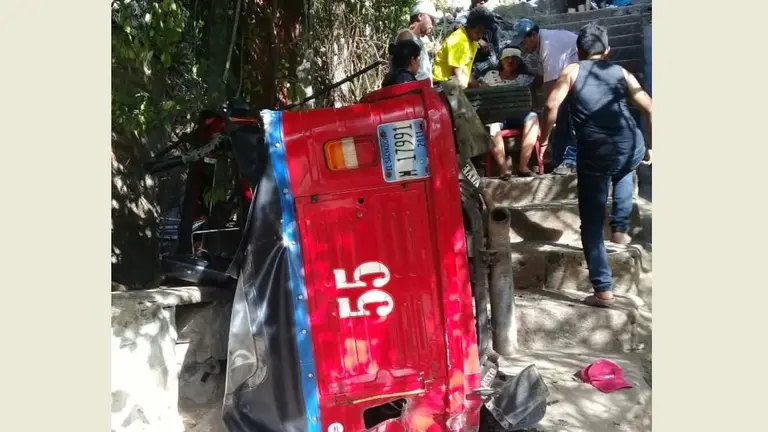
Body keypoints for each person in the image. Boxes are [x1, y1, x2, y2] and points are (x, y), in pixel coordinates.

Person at [539, 22, 652, 308]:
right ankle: (621, 231)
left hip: (596, 155)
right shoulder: (622, 73)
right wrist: (652, 147)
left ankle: (603, 289)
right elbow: (651, 108)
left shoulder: (572, 71)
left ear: (578, 51)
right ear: (608, 51)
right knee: (626, 168)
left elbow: (551, 106)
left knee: (590, 222)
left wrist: (545, 140)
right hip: (631, 144)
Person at [509, 18, 579, 175]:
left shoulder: (548, 46)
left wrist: (546, 124)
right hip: (574, 76)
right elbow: (545, 81)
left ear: (533, 35)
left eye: (523, 42)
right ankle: (560, 158)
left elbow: (550, 91)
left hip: (582, 76)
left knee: (561, 113)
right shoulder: (543, 43)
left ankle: (568, 159)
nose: (522, 47)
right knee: (558, 114)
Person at [479, 47, 540, 177]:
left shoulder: (525, 78)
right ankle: (504, 169)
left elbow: (541, 81)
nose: (511, 60)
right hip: (497, 116)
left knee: (533, 118)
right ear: (501, 61)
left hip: (519, 115)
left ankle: (523, 167)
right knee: (492, 127)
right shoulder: (490, 76)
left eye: (515, 58)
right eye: (507, 58)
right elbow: (482, 96)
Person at [432, 7, 495, 89]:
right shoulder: (459, 41)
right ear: (469, 26)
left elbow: (466, 74)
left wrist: (478, 85)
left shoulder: (473, 40)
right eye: (477, 32)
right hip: (442, 86)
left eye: (483, 32)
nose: (480, 36)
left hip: (454, 84)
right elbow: (460, 77)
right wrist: (479, 89)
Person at [392, 1, 441, 85]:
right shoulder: (406, 36)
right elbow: (403, 76)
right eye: (431, 20)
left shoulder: (419, 40)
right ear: (420, 16)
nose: (432, 25)